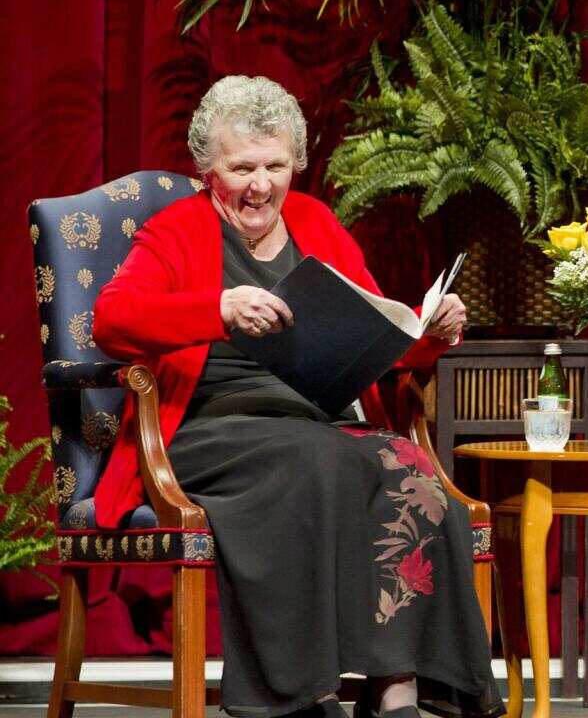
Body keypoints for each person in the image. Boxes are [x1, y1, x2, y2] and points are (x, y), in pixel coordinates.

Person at [92, 75, 502, 718]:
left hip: (317, 417)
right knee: (316, 460)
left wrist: (429, 337)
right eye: (242, 167)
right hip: (210, 428)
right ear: (208, 169)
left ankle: (396, 686)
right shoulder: (176, 231)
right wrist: (218, 308)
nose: (261, 184)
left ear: (295, 164)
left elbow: (376, 332)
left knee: (413, 472)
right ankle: (299, 696)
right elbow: (111, 322)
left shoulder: (315, 221)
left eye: (275, 165)